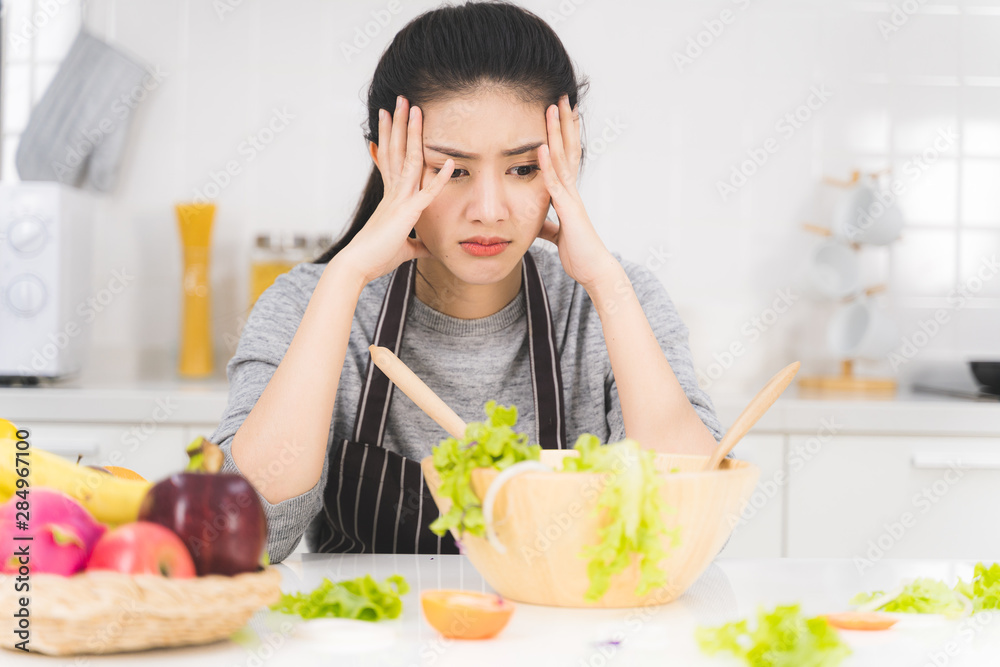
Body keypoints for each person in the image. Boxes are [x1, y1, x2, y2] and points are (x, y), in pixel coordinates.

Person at [211, 0, 725, 563]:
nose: (489, 209)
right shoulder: (310, 303)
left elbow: (689, 523)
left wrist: (607, 282)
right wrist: (344, 280)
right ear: (386, 161)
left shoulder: (610, 304)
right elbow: (241, 536)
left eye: (524, 169)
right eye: (450, 170)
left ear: (566, 161)